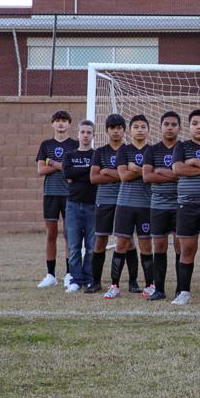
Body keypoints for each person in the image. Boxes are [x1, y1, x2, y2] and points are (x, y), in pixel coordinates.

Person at [171, 109, 200, 306]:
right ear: (189, 127)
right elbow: (177, 169)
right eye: (195, 123)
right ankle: (184, 292)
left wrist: (193, 162)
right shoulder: (181, 146)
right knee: (187, 250)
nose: (199, 126)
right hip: (187, 206)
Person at [104, 115, 152, 299]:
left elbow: (150, 175)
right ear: (130, 131)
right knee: (121, 243)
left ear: (148, 130)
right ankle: (114, 285)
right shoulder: (124, 151)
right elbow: (123, 176)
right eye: (136, 127)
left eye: (143, 126)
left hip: (146, 205)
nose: (140, 129)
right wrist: (142, 172)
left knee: (146, 245)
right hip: (125, 204)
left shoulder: (152, 151)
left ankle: (150, 285)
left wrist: (137, 169)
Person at [35, 110, 78, 288]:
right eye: (57, 121)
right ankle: (51, 275)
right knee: (51, 234)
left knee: (70, 235)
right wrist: (62, 166)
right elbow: (40, 170)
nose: (61, 124)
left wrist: (51, 162)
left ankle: (69, 273)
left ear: (69, 124)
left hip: (70, 194)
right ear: (52, 124)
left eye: (64, 121)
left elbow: (73, 170)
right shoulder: (46, 144)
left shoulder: (75, 144)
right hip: (50, 194)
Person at [142, 111, 181, 301]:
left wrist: (161, 171)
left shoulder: (182, 148)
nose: (170, 127)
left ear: (179, 128)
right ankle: (159, 289)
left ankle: (182, 289)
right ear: (161, 127)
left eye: (174, 124)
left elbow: (183, 174)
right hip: (158, 205)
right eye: (167, 124)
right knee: (160, 246)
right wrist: (172, 173)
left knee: (181, 247)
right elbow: (147, 176)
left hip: (180, 205)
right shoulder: (152, 150)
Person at [87, 113, 126, 293]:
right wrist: (116, 174)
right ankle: (95, 282)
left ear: (124, 130)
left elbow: (128, 177)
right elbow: (94, 178)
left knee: (126, 241)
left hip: (125, 200)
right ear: (107, 131)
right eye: (112, 128)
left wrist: (106, 171)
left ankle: (132, 282)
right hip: (104, 201)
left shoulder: (129, 151)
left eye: (119, 128)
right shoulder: (100, 152)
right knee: (100, 240)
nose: (116, 131)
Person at [62, 120, 97, 292]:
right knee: (74, 246)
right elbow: (68, 173)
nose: (85, 135)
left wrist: (79, 174)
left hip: (92, 206)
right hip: (73, 205)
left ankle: (90, 278)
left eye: (89, 132)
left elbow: (94, 177)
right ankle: (76, 279)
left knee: (91, 246)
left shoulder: (96, 155)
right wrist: (87, 170)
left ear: (93, 135)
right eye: (82, 132)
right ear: (78, 134)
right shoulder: (69, 155)